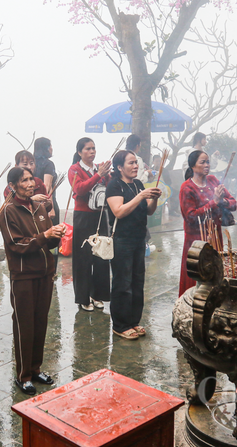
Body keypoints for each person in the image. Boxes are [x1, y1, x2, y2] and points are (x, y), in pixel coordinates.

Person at [0, 167, 64, 396]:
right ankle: (23, 375)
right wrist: (44, 236)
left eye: (31, 179)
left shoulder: (39, 207)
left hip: (45, 273)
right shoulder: (8, 211)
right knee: (24, 325)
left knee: (40, 323)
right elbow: (17, 245)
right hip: (23, 276)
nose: (31, 184)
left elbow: (49, 242)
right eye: (24, 180)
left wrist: (56, 234)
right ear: (13, 186)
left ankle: (36, 369)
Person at [105, 151, 161, 340]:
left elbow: (150, 211)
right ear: (120, 167)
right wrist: (141, 196)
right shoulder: (114, 185)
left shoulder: (138, 184)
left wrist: (153, 197)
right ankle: (120, 325)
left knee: (138, 281)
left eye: (136, 162)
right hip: (122, 240)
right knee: (123, 283)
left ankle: (134, 321)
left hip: (139, 239)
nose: (135, 166)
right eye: (131, 163)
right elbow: (118, 212)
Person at [179, 151, 237, 297]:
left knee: (215, 271)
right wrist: (213, 202)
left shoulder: (213, 180)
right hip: (196, 240)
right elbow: (190, 217)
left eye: (208, 162)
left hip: (215, 236)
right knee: (198, 275)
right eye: (202, 162)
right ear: (192, 166)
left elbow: (233, 204)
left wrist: (222, 201)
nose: (207, 165)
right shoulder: (187, 188)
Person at [67, 137, 111, 312]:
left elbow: (107, 187)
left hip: (100, 215)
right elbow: (79, 189)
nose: (92, 152)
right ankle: (83, 297)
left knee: (101, 255)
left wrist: (106, 175)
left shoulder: (98, 168)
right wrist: (99, 175)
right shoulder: (74, 169)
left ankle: (98, 294)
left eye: (93, 148)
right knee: (83, 258)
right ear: (79, 152)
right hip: (83, 217)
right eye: (87, 149)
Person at [34, 138, 60, 225]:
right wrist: (51, 208)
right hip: (46, 202)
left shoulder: (32, 163)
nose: (51, 148)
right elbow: (47, 186)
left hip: (34, 203)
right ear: (45, 148)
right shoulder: (48, 164)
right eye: (50, 146)